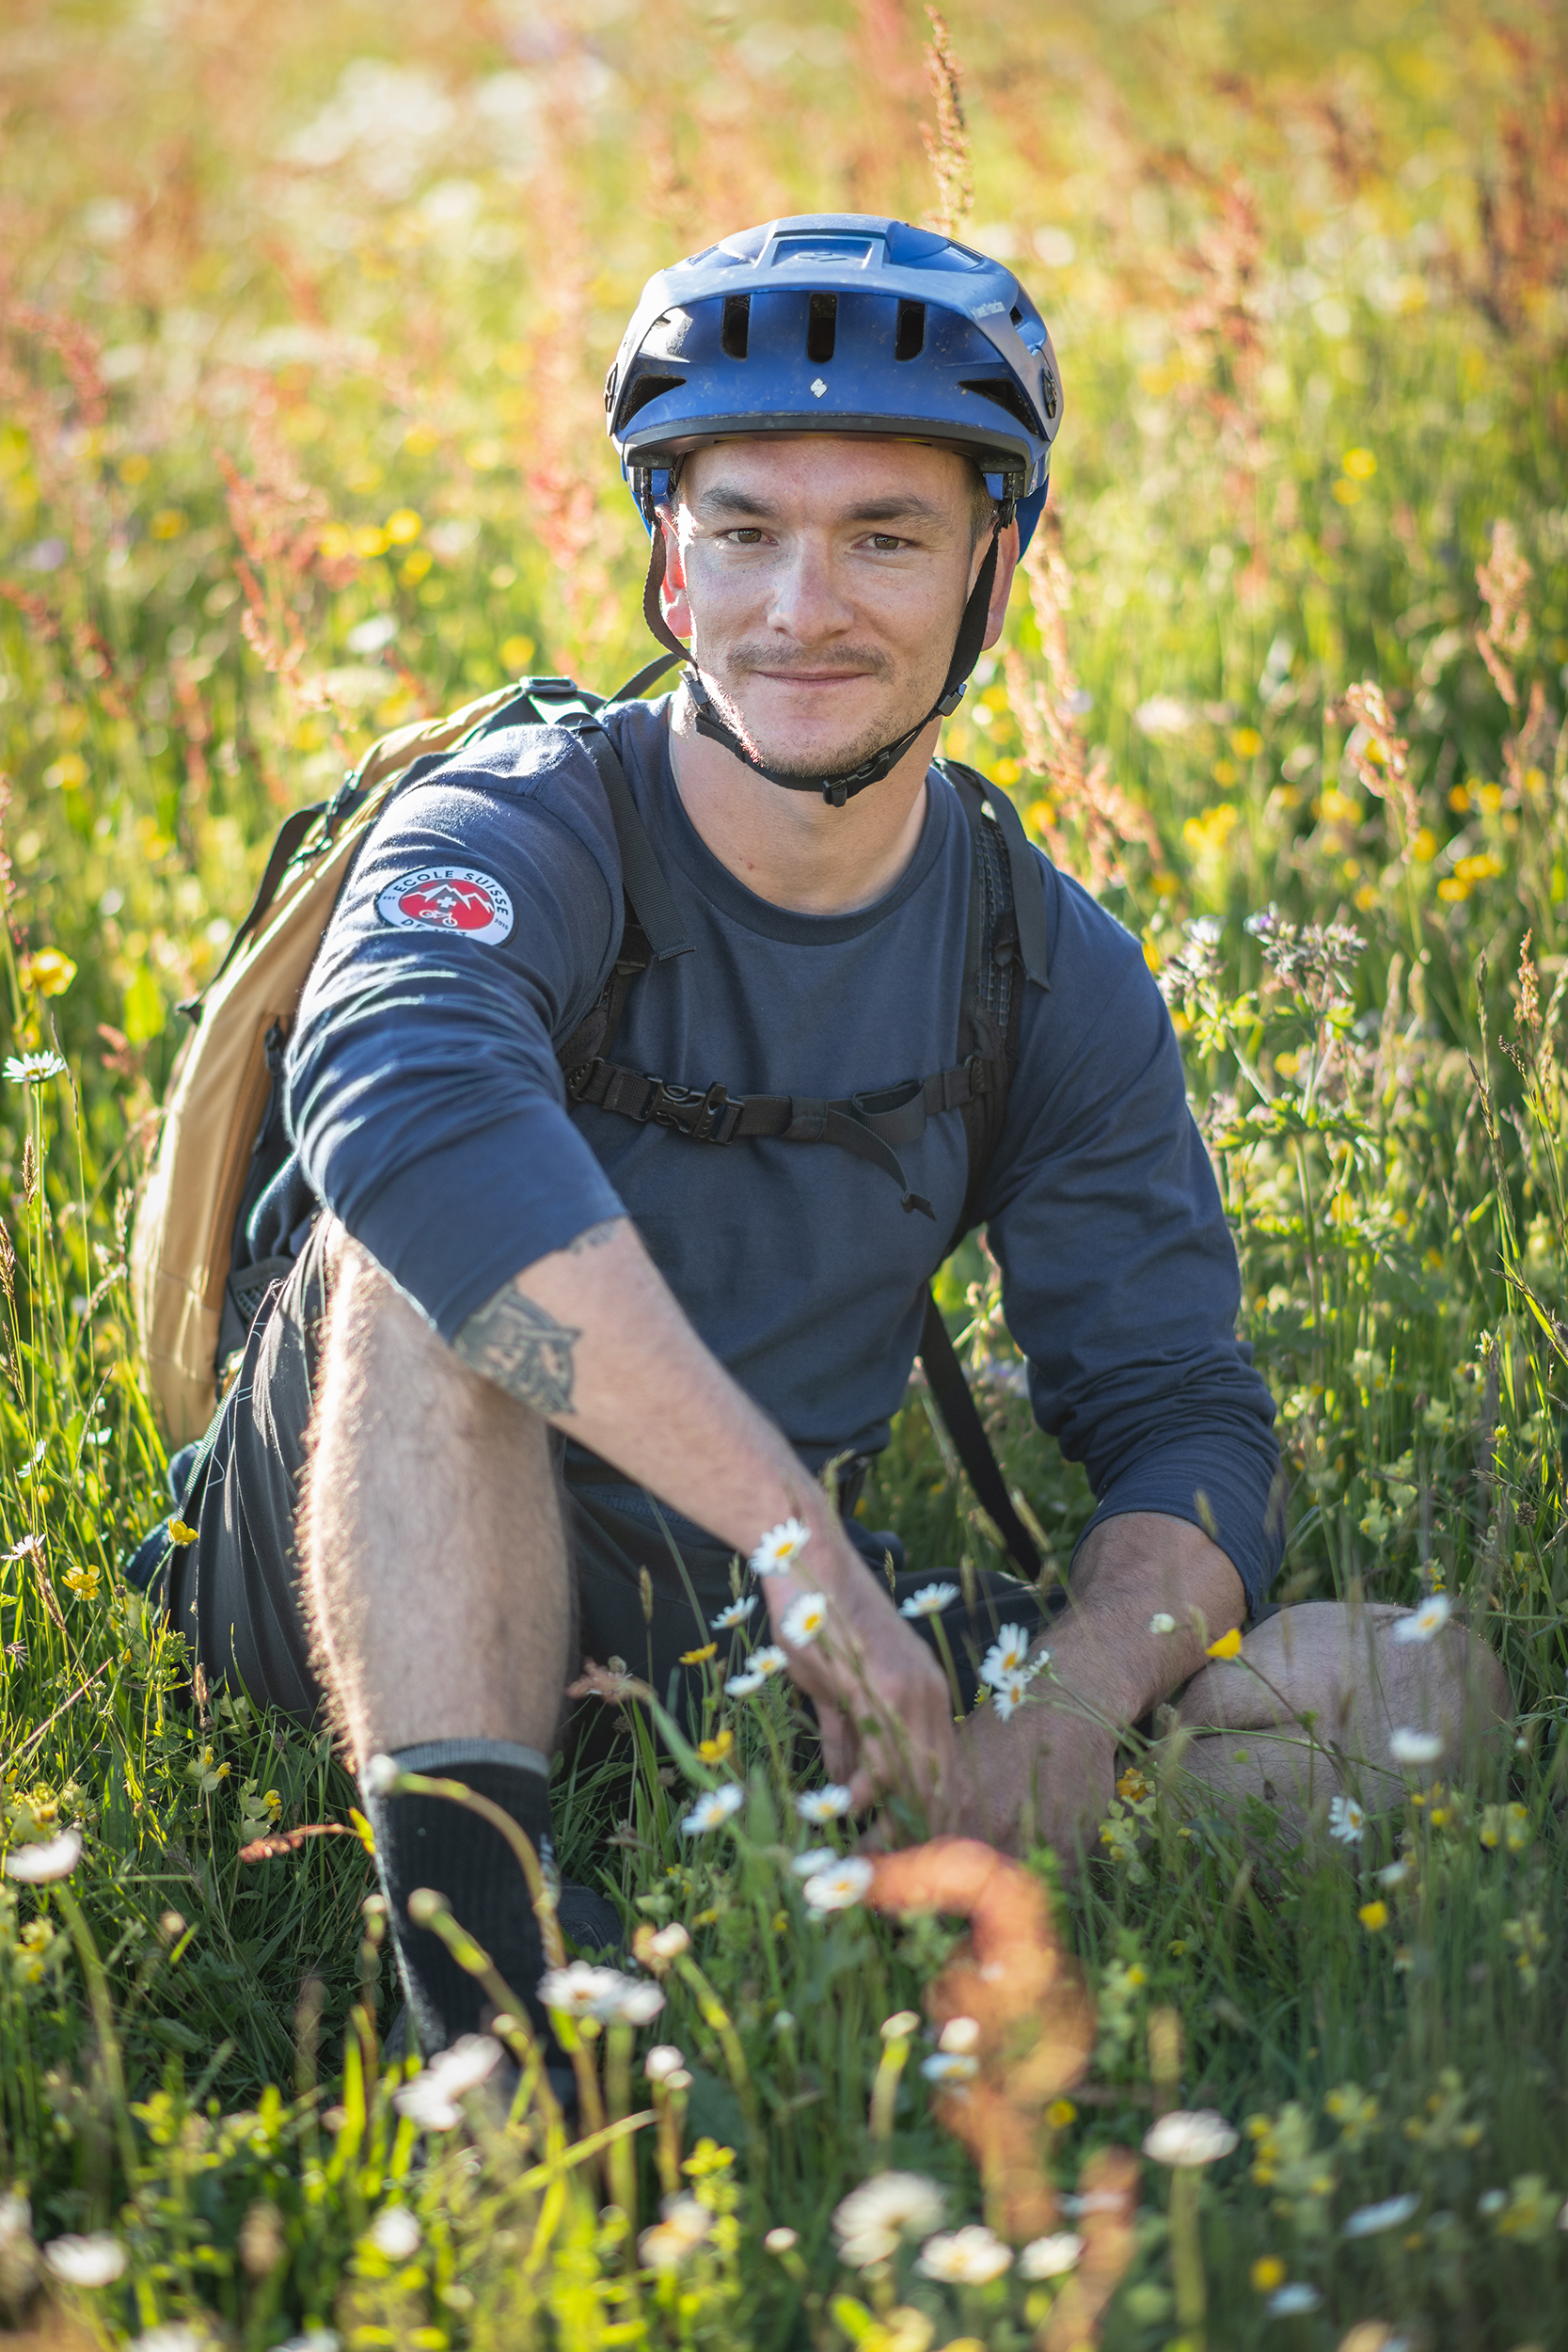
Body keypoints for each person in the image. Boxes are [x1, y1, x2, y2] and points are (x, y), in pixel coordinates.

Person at [164, 215, 1508, 2064]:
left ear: (996, 569)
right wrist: (812, 1547)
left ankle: (957, 1867)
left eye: (883, 535)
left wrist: (1076, 1704)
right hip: (347, 1545)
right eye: (744, 529)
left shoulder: (1046, 962)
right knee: (429, 1271)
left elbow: (1184, 1416)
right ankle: (489, 2024)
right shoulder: (520, 826)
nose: (803, 605)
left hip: (735, 1638)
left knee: (1418, 1678)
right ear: (666, 564)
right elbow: (408, 1116)